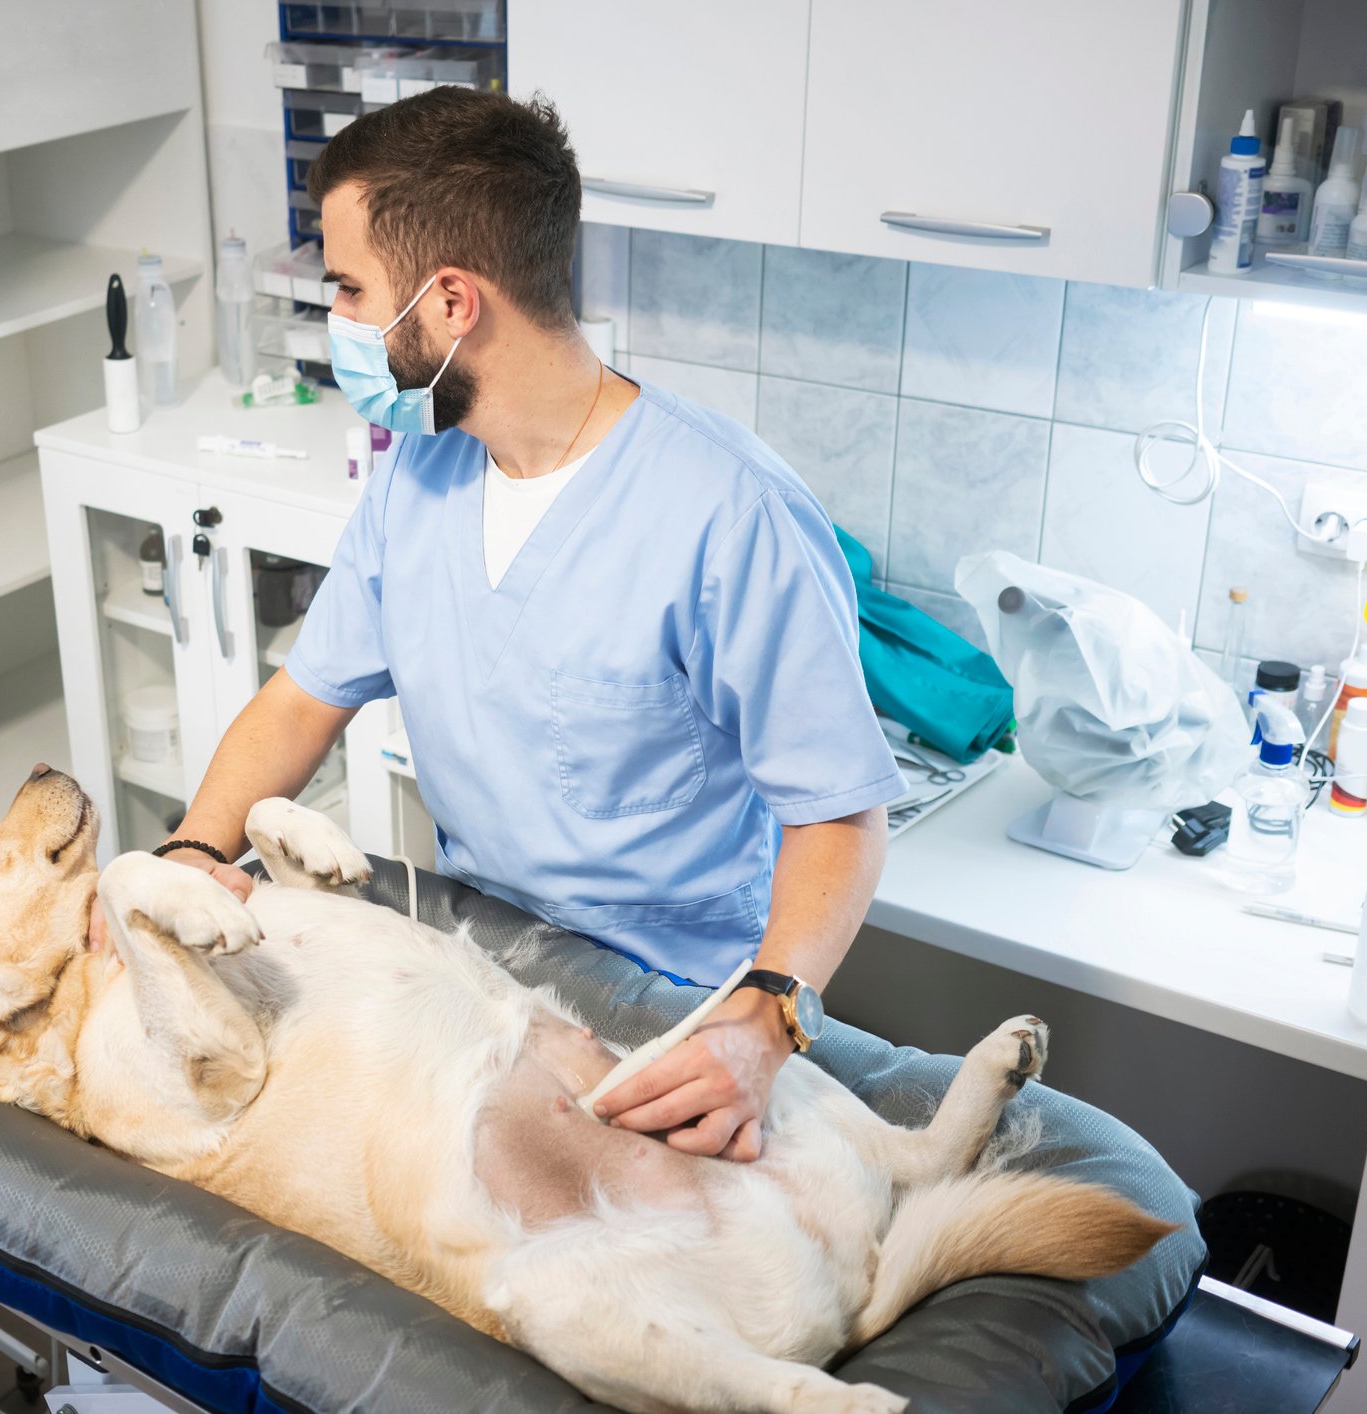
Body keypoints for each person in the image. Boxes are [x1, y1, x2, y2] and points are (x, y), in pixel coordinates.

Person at [115, 88, 903, 1161]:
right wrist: (191, 852)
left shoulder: (729, 515)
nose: (335, 318)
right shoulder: (420, 474)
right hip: (473, 965)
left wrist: (769, 1016)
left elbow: (840, 814)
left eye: (348, 288)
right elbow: (303, 699)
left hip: (668, 1004)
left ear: (450, 301)